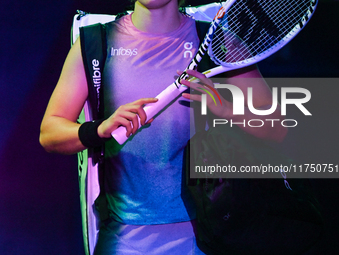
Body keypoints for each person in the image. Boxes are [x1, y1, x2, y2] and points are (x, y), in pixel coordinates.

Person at [39, 0, 287, 254]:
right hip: (121, 239)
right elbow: (50, 133)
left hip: (204, 237)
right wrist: (100, 129)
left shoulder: (218, 41)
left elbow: (278, 128)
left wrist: (226, 109)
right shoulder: (96, 41)